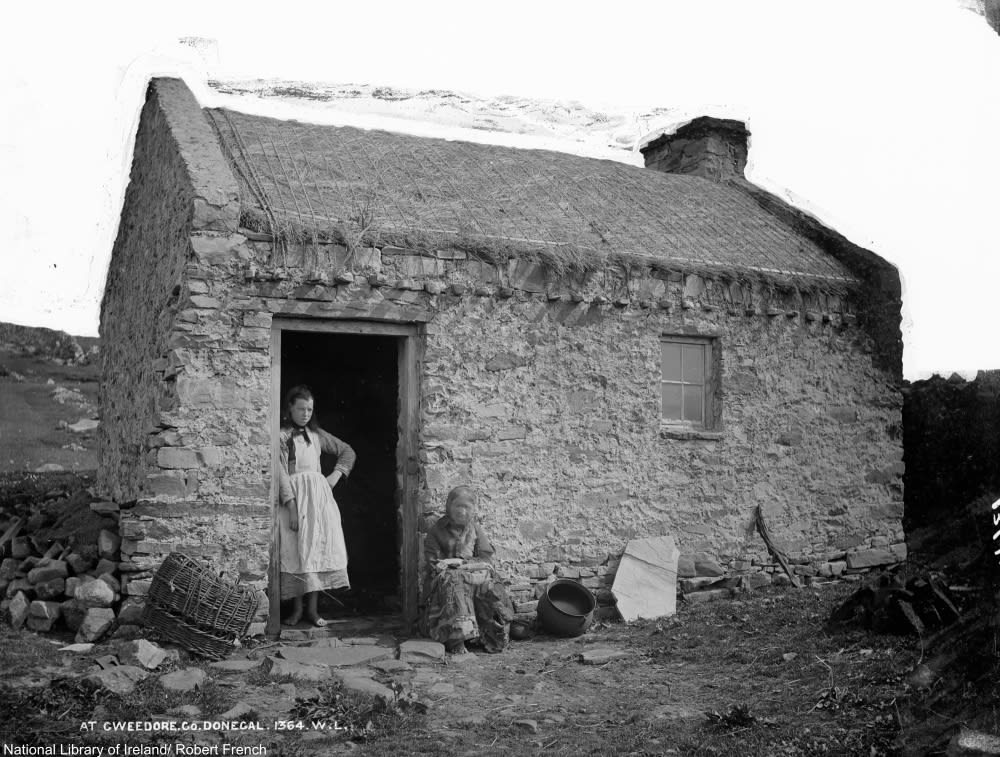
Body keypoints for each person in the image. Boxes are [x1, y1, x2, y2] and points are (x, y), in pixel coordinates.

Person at [277, 385, 356, 627]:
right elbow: (280, 472)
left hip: (318, 500)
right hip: (295, 498)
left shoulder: (317, 435)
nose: (305, 414)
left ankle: (313, 610)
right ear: (290, 408)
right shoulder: (281, 436)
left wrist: (333, 477)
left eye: (309, 409)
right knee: (297, 551)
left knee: (316, 550)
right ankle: (297, 610)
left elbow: (347, 452)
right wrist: (290, 505)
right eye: (301, 409)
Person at [422, 485, 514, 654]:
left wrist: (466, 563)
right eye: (458, 506)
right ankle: (456, 638)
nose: (462, 511)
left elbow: (486, 557)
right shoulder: (437, 530)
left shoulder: (475, 529)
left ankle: (489, 636)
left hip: (471, 573)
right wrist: (450, 565)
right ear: (449, 506)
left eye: (467, 507)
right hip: (443, 579)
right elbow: (432, 562)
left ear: (472, 509)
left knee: (489, 582)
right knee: (454, 580)